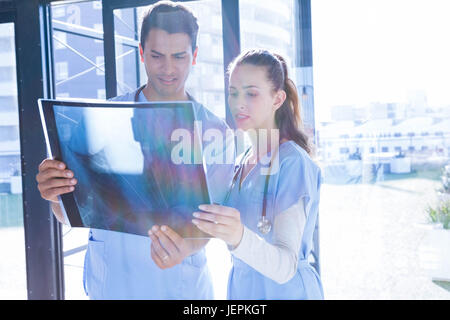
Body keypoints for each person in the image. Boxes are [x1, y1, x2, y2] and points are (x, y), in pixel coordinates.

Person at [36, 1, 235, 299]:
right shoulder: (96, 122)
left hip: (179, 288)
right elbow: (70, 212)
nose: (168, 68)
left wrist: (185, 248)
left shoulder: (216, 133)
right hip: (112, 284)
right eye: (156, 56)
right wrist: (54, 194)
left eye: (179, 56)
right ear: (141, 53)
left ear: (194, 56)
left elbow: (210, 223)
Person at [191, 49, 324, 299]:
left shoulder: (292, 163)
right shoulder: (241, 162)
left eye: (251, 93)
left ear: (277, 99)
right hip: (244, 290)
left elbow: (285, 266)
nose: (239, 102)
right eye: (233, 92)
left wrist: (238, 235)